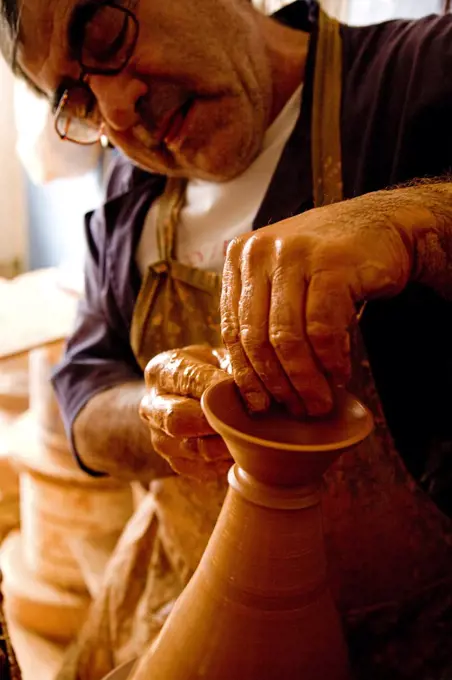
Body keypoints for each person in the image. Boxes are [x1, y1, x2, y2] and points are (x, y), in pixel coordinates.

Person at [1, 0, 452, 678]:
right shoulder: (130, 194)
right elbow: (83, 387)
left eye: (103, 32)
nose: (120, 112)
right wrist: (158, 419)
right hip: (180, 597)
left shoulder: (423, 72)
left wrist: (414, 222)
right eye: (77, 97)